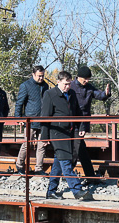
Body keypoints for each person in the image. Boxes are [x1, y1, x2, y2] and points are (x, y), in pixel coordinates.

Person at [41, 71, 91, 200]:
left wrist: (81, 126)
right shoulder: (50, 94)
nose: (67, 87)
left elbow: (78, 113)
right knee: (66, 161)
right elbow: (45, 117)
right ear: (58, 82)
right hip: (56, 132)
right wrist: (44, 137)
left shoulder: (72, 94)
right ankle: (76, 190)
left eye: (69, 84)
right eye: (65, 84)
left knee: (58, 162)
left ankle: (51, 191)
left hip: (69, 131)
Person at [70, 66, 111, 183]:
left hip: (82, 123)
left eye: (88, 79)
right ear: (78, 77)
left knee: (79, 148)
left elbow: (99, 95)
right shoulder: (71, 86)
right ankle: (69, 174)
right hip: (72, 122)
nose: (86, 81)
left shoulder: (89, 88)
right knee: (77, 150)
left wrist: (106, 94)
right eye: (85, 79)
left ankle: (90, 176)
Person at [14, 65, 50, 175]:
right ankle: (19, 165)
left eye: (43, 75)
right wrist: (18, 117)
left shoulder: (45, 86)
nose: (41, 78)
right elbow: (19, 103)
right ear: (33, 75)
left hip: (43, 119)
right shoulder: (25, 86)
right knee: (26, 144)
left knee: (42, 145)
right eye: (39, 76)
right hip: (30, 119)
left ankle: (39, 168)